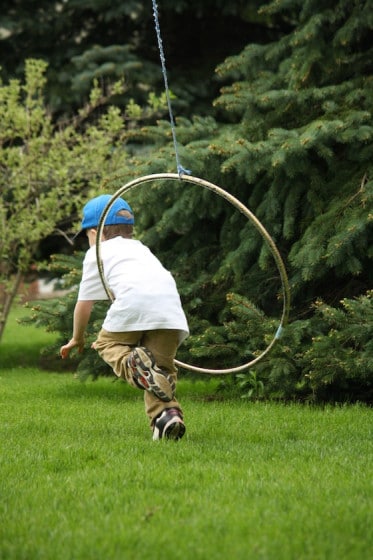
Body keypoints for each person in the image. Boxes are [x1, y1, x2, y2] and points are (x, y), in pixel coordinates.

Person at [60, 194, 189, 440]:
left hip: (134, 303)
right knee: (160, 371)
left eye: (87, 236)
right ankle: (167, 418)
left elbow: (84, 304)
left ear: (95, 233)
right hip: (171, 310)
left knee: (108, 344)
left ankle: (133, 365)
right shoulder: (142, 249)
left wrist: (77, 338)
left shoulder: (97, 252)